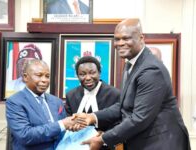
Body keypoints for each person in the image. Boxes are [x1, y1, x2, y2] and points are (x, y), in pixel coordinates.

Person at [74, 19, 191, 150]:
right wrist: (92, 117)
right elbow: (123, 106)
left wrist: (103, 139)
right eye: (117, 39)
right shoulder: (131, 64)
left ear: (141, 38)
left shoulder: (151, 70)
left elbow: (140, 118)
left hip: (161, 143)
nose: (120, 43)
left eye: (126, 38)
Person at [6, 59, 76, 150]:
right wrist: (62, 124)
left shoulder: (57, 101)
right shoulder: (15, 101)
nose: (44, 80)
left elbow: (63, 130)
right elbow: (25, 135)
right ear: (25, 77)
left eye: (47, 76)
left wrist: (73, 126)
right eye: (39, 76)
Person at [65, 56, 120, 150]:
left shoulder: (114, 94)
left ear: (99, 73)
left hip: (104, 146)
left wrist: (105, 135)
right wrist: (72, 126)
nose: (87, 78)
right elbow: (67, 119)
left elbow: (120, 122)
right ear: (77, 76)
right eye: (82, 74)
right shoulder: (71, 95)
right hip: (77, 145)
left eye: (92, 73)